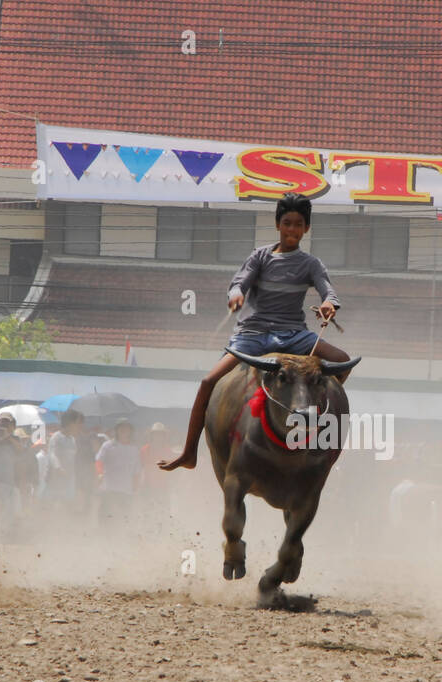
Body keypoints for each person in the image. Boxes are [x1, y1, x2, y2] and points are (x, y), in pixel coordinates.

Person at [158, 193, 348, 470]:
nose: (292, 230)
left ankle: (319, 434)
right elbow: (239, 284)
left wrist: (329, 304)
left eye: (298, 224)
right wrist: (236, 296)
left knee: (342, 361)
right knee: (208, 382)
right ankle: (189, 452)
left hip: (294, 336)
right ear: (277, 225)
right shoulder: (260, 257)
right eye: (287, 223)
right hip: (253, 335)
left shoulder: (311, 264)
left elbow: (327, 291)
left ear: (306, 228)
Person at [96, 418, 141, 522]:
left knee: (124, 518)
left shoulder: (134, 449)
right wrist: (99, 473)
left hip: (126, 490)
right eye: (121, 428)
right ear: (116, 430)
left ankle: (120, 536)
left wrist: (135, 488)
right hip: (109, 488)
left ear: (130, 431)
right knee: (106, 517)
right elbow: (99, 461)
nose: (124, 430)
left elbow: (136, 471)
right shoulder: (108, 445)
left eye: (127, 428)